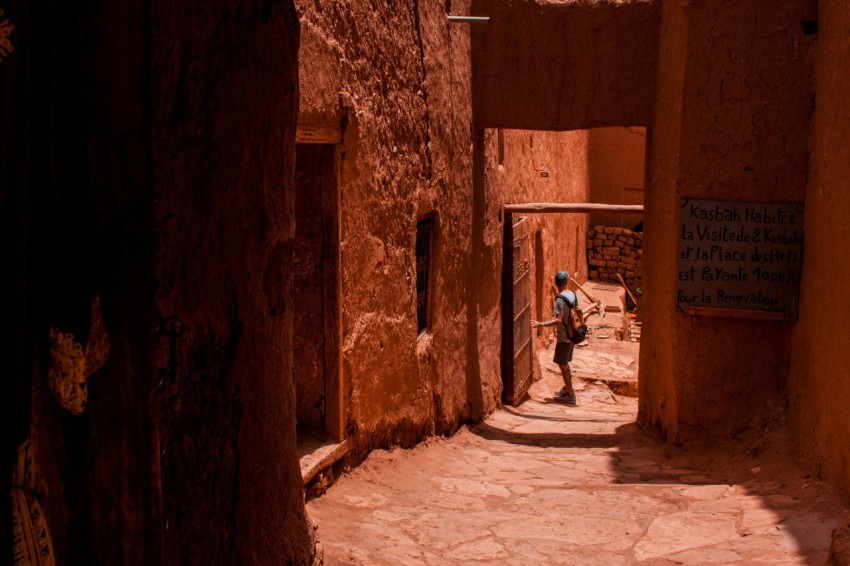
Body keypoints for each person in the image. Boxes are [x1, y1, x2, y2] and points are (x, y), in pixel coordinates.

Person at [531, 271, 578, 405]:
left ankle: (570, 394)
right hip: (572, 334)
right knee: (564, 363)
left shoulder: (559, 301)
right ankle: (566, 387)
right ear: (567, 282)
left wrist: (540, 324)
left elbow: (558, 320)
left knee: (563, 365)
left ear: (556, 283)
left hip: (563, 337)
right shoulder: (571, 294)